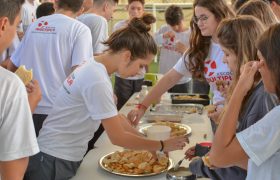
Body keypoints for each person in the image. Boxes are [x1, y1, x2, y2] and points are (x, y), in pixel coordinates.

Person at [23, 14, 188, 180]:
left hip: (55, 156)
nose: (140, 71)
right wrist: (160, 145)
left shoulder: (95, 67)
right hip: (54, 160)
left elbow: (117, 118)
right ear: (126, 56)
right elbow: (117, 137)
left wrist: (147, 142)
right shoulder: (97, 79)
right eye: (141, 65)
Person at [185, 16, 278, 180]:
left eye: (226, 53)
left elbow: (225, 159)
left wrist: (239, 90)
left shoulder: (264, 99)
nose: (222, 59)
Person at [128, 0, 234, 125]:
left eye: (204, 18)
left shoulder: (239, 42)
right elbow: (170, 78)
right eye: (197, 18)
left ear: (219, 15)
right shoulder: (200, 49)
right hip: (219, 117)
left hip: (242, 116)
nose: (200, 23)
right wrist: (142, 106)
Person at [8, 0, 93, 136]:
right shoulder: (80, 30)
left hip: (28, 106)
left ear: (55, 4)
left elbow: (12, 65)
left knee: (26, 155)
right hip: (58, 110)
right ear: (81, 9)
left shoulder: (34, 25)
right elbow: (81, 75)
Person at [209, 23, 280, 180]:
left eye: (261, 59)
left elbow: (217, 157)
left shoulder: (273, 110)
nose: (258, 65)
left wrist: (240, 89)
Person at [0, 0, 39, 179]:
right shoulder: (9, 85)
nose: (16, 32)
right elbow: (13, 167)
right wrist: (28, 104)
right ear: (3, 25)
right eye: (16, 25)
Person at [113, 0, 147, 111]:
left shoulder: (146, 28)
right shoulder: (119, 26)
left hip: (140, 75)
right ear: (127, 8)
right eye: (132, 8)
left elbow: (148, 52)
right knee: (122, 108)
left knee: (138, 107)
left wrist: (143, 64)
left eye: (138, 8)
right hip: (123, 76)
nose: (135, 11)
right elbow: (115, 50)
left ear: (143, 10)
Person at [154, 5, 192, 93]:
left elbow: (195, 59)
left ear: (183, 19)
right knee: (163, 105)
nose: (175, 28)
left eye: (178, 24)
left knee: (183, 106)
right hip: (164, 78)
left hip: (183, 80)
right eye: (172, 25)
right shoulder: (164, 29)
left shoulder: (191, 34)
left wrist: (185, 50)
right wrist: (163, 36)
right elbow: (151, 42)